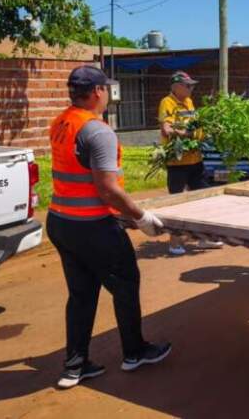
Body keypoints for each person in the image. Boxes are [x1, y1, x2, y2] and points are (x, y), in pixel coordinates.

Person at [47, 65, 171, 389]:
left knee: (81, 294)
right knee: (125, 285)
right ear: (98, 91)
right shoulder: (97, 131)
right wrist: (141, 217)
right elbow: (108, 189)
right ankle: (135, 352)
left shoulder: (61, 122)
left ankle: (75, 366)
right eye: (107, 89)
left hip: (61, 221)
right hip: (94, 226)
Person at [158, 70, 222, 254]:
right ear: (176, 86)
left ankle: (203, 239)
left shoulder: (189, 102)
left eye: (192, 86)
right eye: (188, 86)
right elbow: (166, 128)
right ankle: (174, 243)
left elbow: (195, 126)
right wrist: (186, 134)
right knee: (177, 202)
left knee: (202, 198)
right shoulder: (167, 102)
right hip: (177, 163)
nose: (191, 89)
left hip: (195, 159)